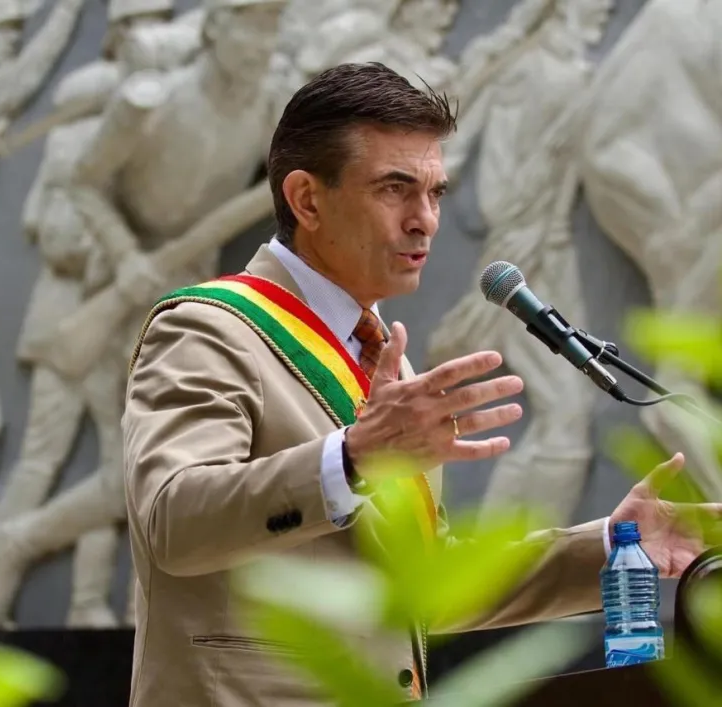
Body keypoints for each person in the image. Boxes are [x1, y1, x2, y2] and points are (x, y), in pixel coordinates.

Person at [122, 62, 722, 706]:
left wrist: (614, 546)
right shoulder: (209, 330)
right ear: (307, 199)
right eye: (394, 188)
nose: (425, 220)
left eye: (435, 192)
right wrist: (352, 458)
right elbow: (171, 522)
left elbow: (422, 585)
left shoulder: (383, 358)